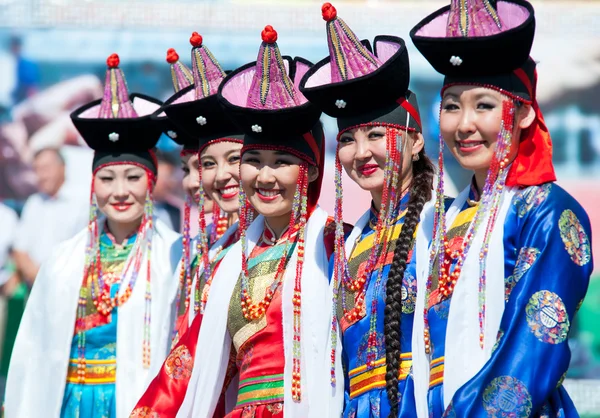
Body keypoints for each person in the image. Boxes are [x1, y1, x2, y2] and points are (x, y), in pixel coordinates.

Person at [409, 1, 593, 416]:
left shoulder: (548, 213)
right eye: (452, 105)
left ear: (524, 112)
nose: (464, 124)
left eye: (484, 105)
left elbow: (529, 353)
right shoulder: (440, 221)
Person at [169, 25, 344, 417]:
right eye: (253, 162)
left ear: (312, 170)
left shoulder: (336, 244)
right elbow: (191, 363)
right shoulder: (231, 263)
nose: (264, 178)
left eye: (281, 163)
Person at [4, 53, 182, 418]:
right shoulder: (65, 258)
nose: (120, 192)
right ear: (92, 185)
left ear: (150, 182)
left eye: (132, 178)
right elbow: (34, 347)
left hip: (139, 402)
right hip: (70, 401)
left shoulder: (173, 254)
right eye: (107, 178)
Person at [300, 3, 434, 417]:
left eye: (377, 134)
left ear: (415, 142)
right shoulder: (346, 244)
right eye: (348, 140)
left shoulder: (445, 226)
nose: (361, 153)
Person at [131, 37, 247, 416]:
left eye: (232, 159)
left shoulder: (290, 242)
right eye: (196, 167)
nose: (199, 180)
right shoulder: (208, 250)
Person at [13, 146, 89, 284]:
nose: (41, 176)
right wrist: (39, 279)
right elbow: (20, 249)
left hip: (71, 285)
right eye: (37, 170)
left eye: (46, 169)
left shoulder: (83, 201)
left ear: (63, 167)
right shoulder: (34, 203)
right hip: (36, 285)